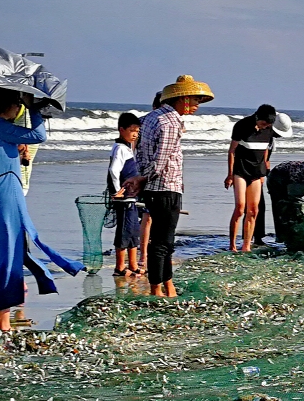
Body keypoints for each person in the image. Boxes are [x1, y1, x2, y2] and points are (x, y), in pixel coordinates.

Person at [0, 83, 82, 330]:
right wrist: (34, 110)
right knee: (8, 258)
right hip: (7, 194)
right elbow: (39, 136)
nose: (19, 106)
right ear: (8, 105)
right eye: (18, 102)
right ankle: (3, 324)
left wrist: (16, 153)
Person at [132, 74, 213, 296]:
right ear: (182, 99)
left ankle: (167, 285)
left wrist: (141, 178)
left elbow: (141, 154)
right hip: (165, 186)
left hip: (155, 188)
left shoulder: (150, 118)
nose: (197, 105)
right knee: (163, 242)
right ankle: (156, 288)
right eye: (194, 100)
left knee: (162, 240)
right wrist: (142, 178)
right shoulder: (170, 122)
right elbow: (161, 160)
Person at [227, 105, 278, 251]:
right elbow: (232, 151)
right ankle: (232, 245)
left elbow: (265, 151)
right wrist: (230, 174)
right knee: (240, 207)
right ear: (257, 117)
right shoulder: (241, 125)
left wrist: (264, 171)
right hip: (240, 171)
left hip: (257, 173)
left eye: (268, 125)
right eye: (263, 124)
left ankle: (246, 246)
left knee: (254, 209)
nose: (265, 127)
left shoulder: (269, 129)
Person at [107, 113, 143, 277]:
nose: (135, 134)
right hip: (125, 198)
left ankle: (133, 265)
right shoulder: (120, 148)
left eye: (137, 131)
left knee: (133, 229)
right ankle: (120, 267)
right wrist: (116, 192)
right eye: (132, 130)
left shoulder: (126, 147)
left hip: (131, 197)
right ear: (122, 130)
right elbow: (114, 171)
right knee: (124, 230)